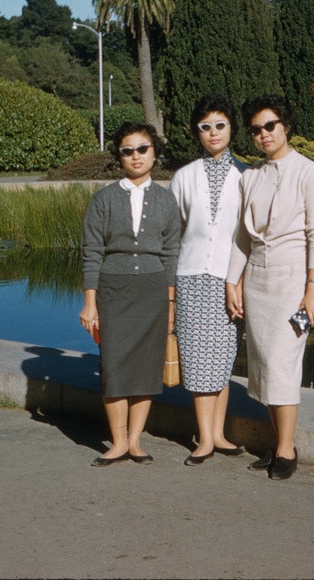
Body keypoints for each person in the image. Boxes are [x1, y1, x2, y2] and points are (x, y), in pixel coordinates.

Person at [225, 95, 314, 481]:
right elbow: (242, 239)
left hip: (292, 280)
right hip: (257, 279)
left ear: (286, 125)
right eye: (256, 129)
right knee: (265, 365)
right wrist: (231, 282)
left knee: (284, 364)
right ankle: (276, 441)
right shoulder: (250, 177)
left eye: (270, 125)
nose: (264, 134)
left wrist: (313, 287)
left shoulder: (309, 172)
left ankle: (287, 448)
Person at [80, 122, 181, 467]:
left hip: (152, 290)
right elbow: (92, 251)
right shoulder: (104, 198)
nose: (136, 156)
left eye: (143, 148)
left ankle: (136, 441)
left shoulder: (167, 200)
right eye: (128, 150)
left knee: (145, 368)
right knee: (113, 366)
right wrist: (90, 302)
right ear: (119, 156)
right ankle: (117, 442)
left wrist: (170, 305)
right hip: (114, 289)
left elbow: (171, 254)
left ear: (154, 152)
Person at [169, 95, 248, 466]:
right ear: (196, 131)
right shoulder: (184, 176)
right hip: (191, 277)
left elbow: (249, 234)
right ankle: (203, 438)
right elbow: (174, 232)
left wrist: (241, 281)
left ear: (231, 128)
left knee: (223, 357)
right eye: (205, 126)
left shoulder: (248, 176)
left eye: (220, 125)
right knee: (199, 358)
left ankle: (218, 433)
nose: (213, 133)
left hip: (231, 279)